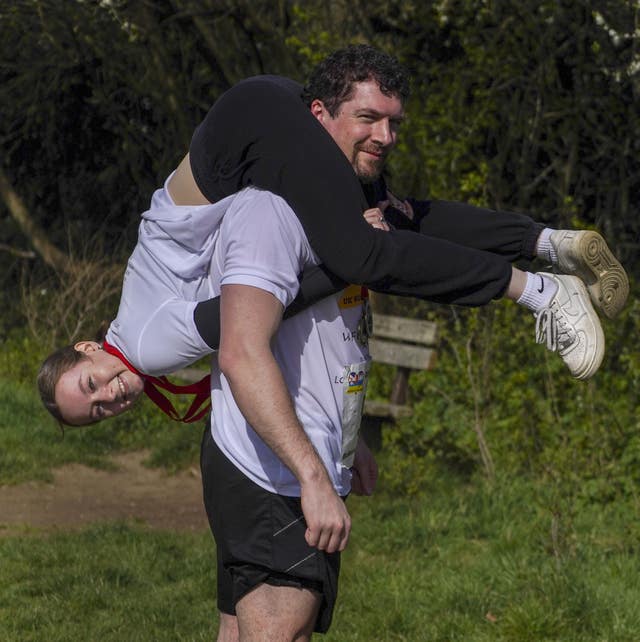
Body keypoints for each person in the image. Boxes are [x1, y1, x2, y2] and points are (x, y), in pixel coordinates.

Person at [36, 45, 629, 638]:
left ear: (87, 348)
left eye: (91, 385)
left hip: (249, 129)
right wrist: (348, 436)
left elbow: (250, 320)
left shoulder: (144, 346)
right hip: (260, 115)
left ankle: (539, 293)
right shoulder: (137, 332)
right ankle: (549, 242)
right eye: (97, 414)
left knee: (361, 251)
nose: (110, 397)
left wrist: (338, 265)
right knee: (392, 215)